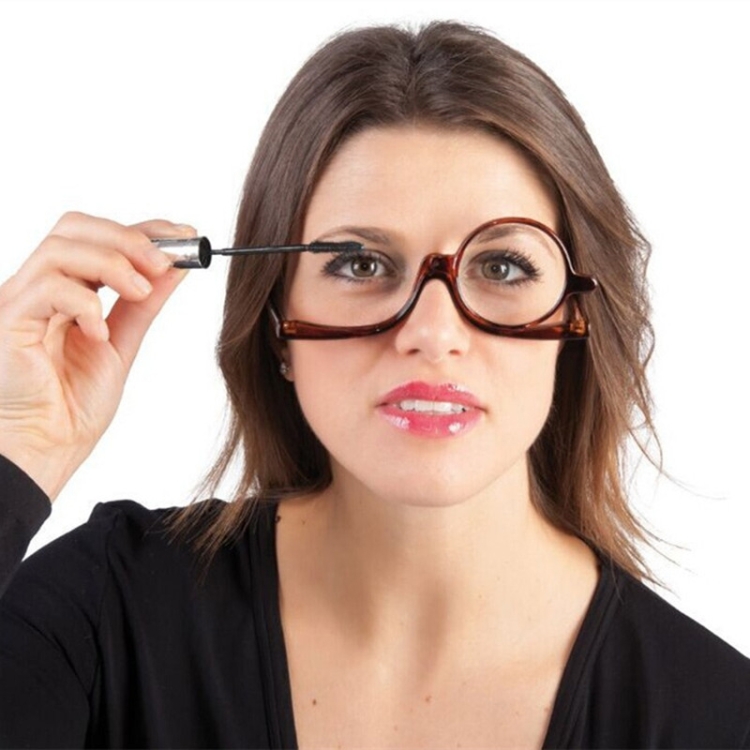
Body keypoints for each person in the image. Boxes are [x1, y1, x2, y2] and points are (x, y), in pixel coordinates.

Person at [0, 19, 748, 749]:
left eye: (502, 266)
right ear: (276, 326)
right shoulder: (105, 615)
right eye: (361, 264)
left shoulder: (717, 717)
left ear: (574, 320)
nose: (432, 332)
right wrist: (20, 449)